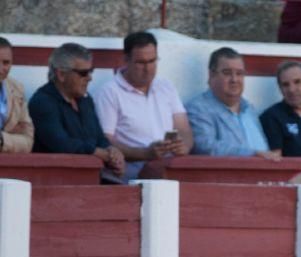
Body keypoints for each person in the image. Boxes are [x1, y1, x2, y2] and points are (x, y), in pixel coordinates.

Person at [94, 31, 193, 181]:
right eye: (141, 63)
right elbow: (106, 142)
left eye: (152, 61)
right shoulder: (109, 92)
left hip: (165, 178)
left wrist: (183, 146)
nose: (148, 69)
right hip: (126, 183)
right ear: (126, 60)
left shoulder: (165, 86)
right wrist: (145, 153)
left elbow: (184, 129)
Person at [29, 43, 125, 179]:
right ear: (61, 74)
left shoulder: (86, 100)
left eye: (91, 71)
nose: (90, 77)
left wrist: (112, 151)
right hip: (55, 181)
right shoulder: (42, 102)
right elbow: (61, 143)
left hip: (90, 178)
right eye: (83, 73)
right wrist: (96, 152)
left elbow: (99, 138)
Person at [186, 47, 278, 159]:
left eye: (239, 73)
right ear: (211, 75)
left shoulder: (249, 109)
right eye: (227, 73)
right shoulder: (198, 109)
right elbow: (205, 147)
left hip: (264, 173)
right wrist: (252, 154)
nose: (234, 79)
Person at [0, 37, 33, 153]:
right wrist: (13, 137)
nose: (1, 69)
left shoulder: (17, 88)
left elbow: (28, 141)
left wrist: (2, 140)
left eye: (6, 63)